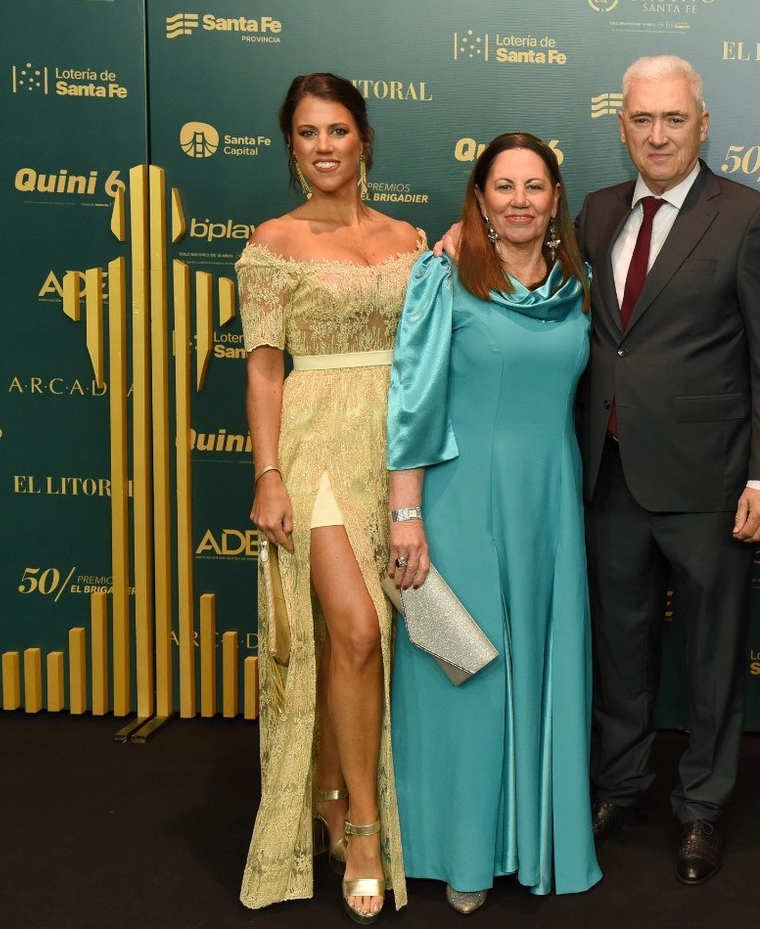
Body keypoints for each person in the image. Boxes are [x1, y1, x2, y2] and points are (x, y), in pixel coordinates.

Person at [578, 54, 760, 885]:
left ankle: (701, 804)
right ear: (622, 124)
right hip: (607, 474)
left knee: (711, 655)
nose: (658, 133)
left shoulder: (747, 215)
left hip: (711, 484)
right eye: (642, 119)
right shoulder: (596, 212)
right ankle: (622, 783)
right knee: (619, 646)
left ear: (703, 124)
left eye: (674, 118)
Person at [384, 132, 602, 913]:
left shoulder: (577, 283)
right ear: (479, 198)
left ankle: (536, 840)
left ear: (553, 200)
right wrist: (405, 514)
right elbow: (411, 402)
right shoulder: (443, 276)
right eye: (502, 186)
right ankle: (464, 851)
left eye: (533, 187)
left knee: (543, 669)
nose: (518, 200)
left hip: (547, 504)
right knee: (468, 677)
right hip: (461, 501)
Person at [238, 72, 421, 921]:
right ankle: (361, 829)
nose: (323, 146)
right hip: (312, 448)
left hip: (397, 452)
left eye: (337, 130)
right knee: (350, 629)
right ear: (290, 145)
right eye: (307, 133)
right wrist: (266, 471)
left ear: (365, 139)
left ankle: (331, 785)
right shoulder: (273, 241)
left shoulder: (409, 237)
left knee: (384, 637)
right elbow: (265, 367)